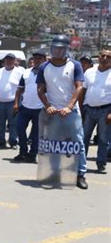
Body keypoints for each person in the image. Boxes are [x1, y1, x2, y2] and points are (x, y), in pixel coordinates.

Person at [36, 34, 88, 189]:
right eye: (55, 48)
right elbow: (40, 89)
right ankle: (55, 172)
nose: (58, 51)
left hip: (70, 112)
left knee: (78, 143)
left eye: (61, 49)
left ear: (66, 49)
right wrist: (48, 106)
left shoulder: (75, 65)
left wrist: (70, 106)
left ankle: (80, 174)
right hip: (52, 112)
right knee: (53, 143)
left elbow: (79, 87)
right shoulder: (44, 67)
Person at [12, 49, 47, 163]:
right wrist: (16, 103)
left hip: (40, 108)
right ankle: (23, 152)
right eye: (35, 58)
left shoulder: (48, 73)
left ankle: (32, 154)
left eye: (39, 58)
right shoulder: (26, 72)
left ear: (44, 60)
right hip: (25, 107)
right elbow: (19, 90)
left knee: (36, 133)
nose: (37, 60)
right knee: (20, 129)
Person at [82, 49, 111, 173]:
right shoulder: (89, 71)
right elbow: (82, 90)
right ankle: (80, 162)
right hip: (89, 109)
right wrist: (80, 107)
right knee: (84, 137)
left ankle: (101, 163)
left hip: (106, 110)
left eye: (108, 56)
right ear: (98, 57)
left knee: (103, 139)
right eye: (102, 55)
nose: (104, 58)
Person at [0, 53, 24, 149]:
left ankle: (13, 141)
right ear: (4, 61)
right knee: (0, 123)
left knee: (13, 124)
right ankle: (1, 141)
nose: (9, 61)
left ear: (15, 61)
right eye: (7, 59)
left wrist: (18, 103)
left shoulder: (19, 72)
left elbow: (22, 88)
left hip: (12, 102)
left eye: (11, 59)